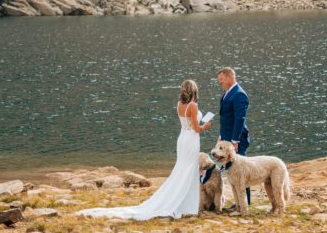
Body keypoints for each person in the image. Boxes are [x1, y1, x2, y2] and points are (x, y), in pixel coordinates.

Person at [77, 79, 212, 220]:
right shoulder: (193, 106)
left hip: (182, 139)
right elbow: (196, 128)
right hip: (191, 140)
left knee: (181, 168)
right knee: (189, 170)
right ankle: (186, 205)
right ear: (194, 90)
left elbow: (187, 123)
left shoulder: (179, 105)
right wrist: (205, 126)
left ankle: (181, 201)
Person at [217, 66, 251, 208]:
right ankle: (238, 202)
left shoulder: (239, 94)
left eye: (222, 80)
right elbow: (227, 118)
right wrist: (221, 136)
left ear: (230, 78)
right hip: (227, 139)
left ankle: (245, 202)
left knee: (241, 172)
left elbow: (239, 119)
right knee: (232, 172)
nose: (220, 83)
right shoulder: (228, 93)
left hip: (236, 140)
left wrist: (235, 140)